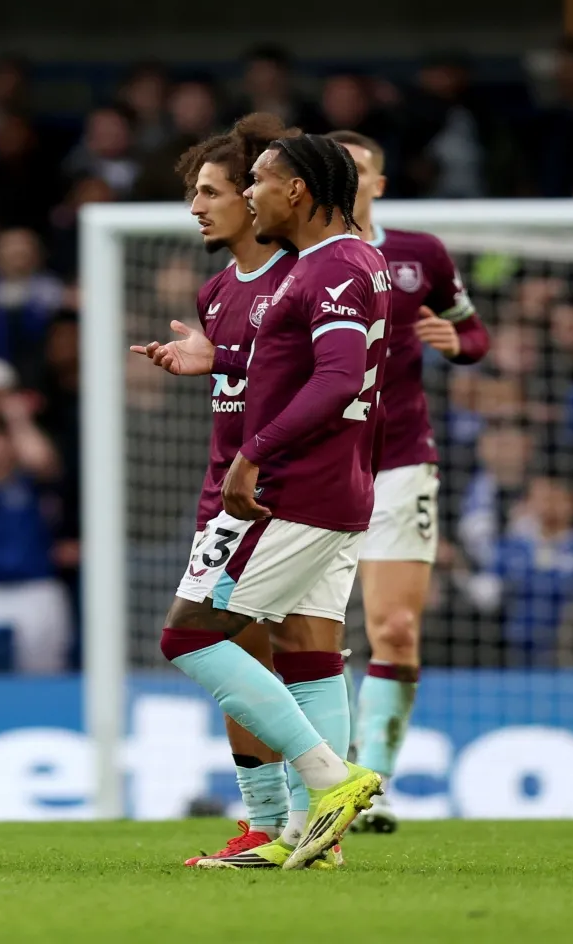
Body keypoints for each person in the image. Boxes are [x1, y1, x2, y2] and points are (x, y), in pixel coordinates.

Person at [135, 133, 388, 869]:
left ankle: (328, 782)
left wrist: (252, 454)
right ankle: (314, 838)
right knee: (310, 653)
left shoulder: (331, 267)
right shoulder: (340, 264)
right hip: (333, 489)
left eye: (259, 182)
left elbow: (337, 378)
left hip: (289, 492)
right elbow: (300, 362)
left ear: (299, 191)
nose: (249, 196)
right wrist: (223, 360)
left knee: (187, 637)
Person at [135, 113, 302, 866]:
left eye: (211, 191)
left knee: (223, 643)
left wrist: (226, 355)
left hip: (277, 493)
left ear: (256, 198)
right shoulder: (215, 292)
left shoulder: (302, 278)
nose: (196, 206)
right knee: (249, 656)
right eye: (193, 193)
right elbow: (242, 374)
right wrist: (210, 358)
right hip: (223, 490)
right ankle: (272, 823)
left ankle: (298, 811)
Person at [329, 130, 491, 833]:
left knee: (393, 628)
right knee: (311, 636)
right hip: (316, 467)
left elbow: (472, 331)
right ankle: (320, 776)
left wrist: (463, 346)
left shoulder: (419, 254)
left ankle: (372, 787)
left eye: (359, 169)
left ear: (379, 183)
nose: (347, 178)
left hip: (398, 461)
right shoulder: (294, 260)